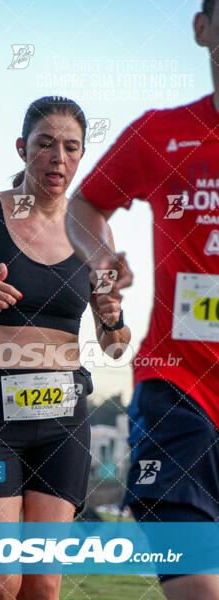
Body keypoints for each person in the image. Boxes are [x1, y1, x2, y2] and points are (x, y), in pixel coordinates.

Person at [0, 96, 131, 600]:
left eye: (70, 147)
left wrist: (113, 318)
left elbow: (117, 346)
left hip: (63, 417)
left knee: (41, 585)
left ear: (81, 156)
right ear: (22, 148)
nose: (56, 157)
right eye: (44, 144)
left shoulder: (93, 232)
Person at [65, 2, 219, 598]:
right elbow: (84, 206)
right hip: (178, 390)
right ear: (202, 29)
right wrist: (101, 256)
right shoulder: (160, 132)